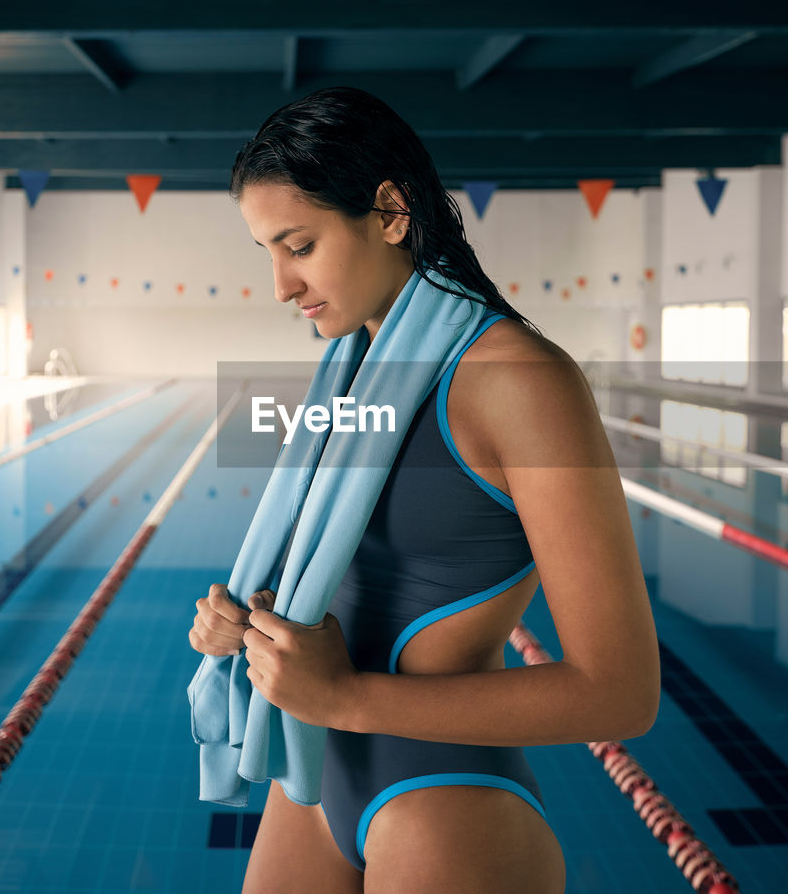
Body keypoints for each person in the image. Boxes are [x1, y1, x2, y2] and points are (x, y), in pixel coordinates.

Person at [187, 86, 660, 894]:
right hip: (315, 778)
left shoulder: (520, 383)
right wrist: (249, 620)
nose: (281, 285)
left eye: (298, 245)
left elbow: (619, 693)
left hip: (447, 806)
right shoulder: (355, 373)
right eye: (266, 251)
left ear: (391, 211)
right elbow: (352, 574)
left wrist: (345, 697)